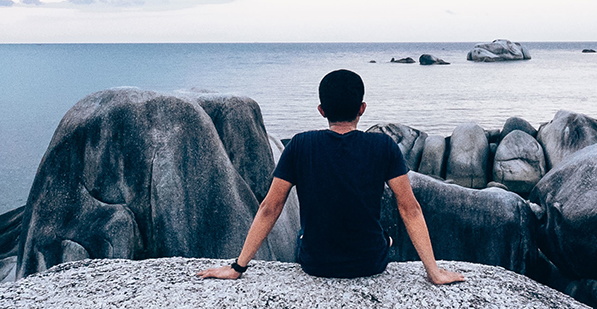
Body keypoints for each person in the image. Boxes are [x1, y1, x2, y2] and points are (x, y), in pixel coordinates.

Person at [197, 69, 466, 285]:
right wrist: (434, 271)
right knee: (387, 238)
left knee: (303, 236)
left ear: (321, 110)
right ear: (362, 109)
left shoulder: (300, 145)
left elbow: (270, 208)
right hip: (370, 263)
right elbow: (410, 208)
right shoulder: (383, 146)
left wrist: (237, 267)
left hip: (316, 264)